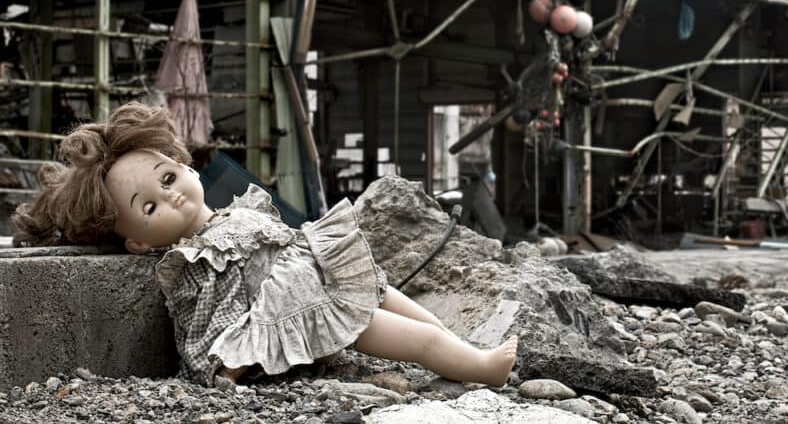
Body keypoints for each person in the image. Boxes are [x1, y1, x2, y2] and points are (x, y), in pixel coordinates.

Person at [13, 102, 517, 387]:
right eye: (150, 208)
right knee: (405, 337)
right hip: (304, 306)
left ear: (185, 165)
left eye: (168, 178)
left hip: (320, 271)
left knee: (403, 305)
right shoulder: (191, 260)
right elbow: (206, 326)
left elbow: (285, 240)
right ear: (139, 243)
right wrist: (230, 366)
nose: (170, 196)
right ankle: (478, 368)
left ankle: (464, 347)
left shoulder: (238, 210)